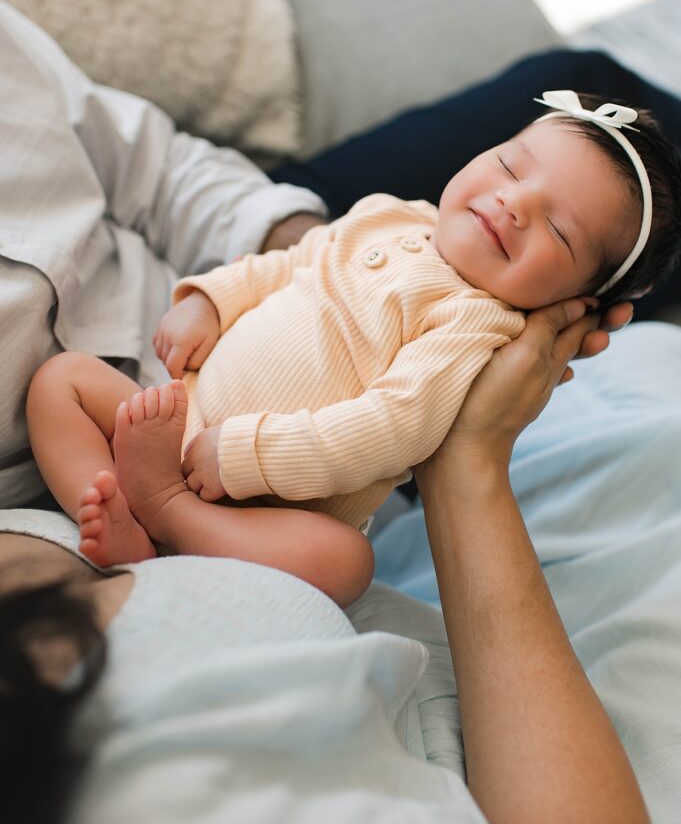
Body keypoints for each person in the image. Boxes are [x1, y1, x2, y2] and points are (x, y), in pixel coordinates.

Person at [0, 299, 652, 824]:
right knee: (348, 557)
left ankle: (139, 514)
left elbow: (272, 266)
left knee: (64, 377)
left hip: (163, 463)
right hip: (253, 503)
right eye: (508, 172)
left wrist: (203, 300)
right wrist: (466, 462)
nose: (510, 202)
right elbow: (391, 420)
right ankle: (163, 508)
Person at [25, 91, 681, 599]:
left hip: (265, 507)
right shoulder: (386, 213)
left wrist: (249, 456)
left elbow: (391, 427)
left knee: (344, 564)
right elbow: (288, 265)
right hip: (171, 416)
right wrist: (209, 300)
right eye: (511, 164)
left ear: (576, 304)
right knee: (63, 380)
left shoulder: (477, 328)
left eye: (558, 231)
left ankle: (170, 518)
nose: (514, 203)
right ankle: (116, 507)